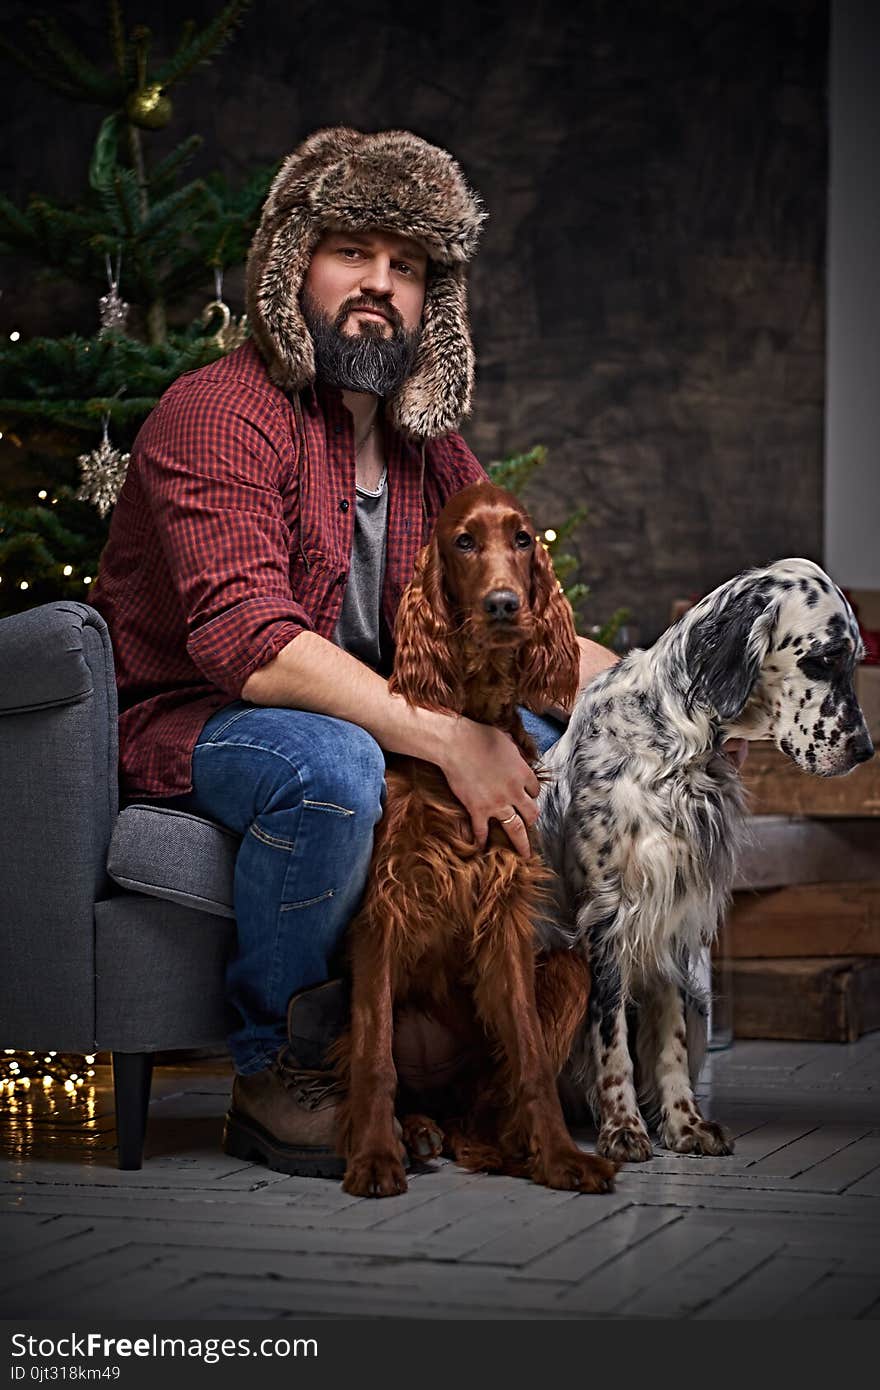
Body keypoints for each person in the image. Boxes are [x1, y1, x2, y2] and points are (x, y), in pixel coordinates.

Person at [88, 127, 618, 1176]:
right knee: (336, 766)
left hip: (362, 711)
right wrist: (451, 742)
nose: (378, 285)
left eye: (407, 265)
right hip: (205, 720)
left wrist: (671, 699)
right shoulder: (217, 413)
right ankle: (278, 1065)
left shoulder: (433, 451)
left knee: (559, 733)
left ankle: (511, 1044)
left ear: (433, 302)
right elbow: (253, 644)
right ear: (294, 266)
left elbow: (525, 632)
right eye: (352, 252)